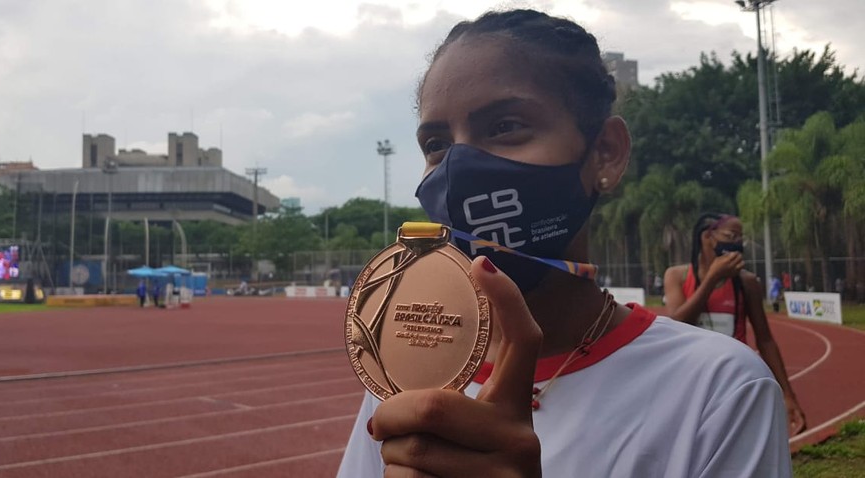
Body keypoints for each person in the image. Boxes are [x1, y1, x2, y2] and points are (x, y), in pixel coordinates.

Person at [338, 9, 791, 477]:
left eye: (504, 126)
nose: (459, 166)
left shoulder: (720, 389)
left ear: (606, 153)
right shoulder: (410, 372)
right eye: (436, 144)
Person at [664, 213, 805, 436]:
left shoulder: (747, 283)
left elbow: (765, 339)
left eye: (741, 238)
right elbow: (678, 323)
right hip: (692, 380)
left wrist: (788, 395)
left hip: (734, 380)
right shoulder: (677, 276)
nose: (737, 244)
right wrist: (711, 279)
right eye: (731, 236)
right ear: (708, 237)